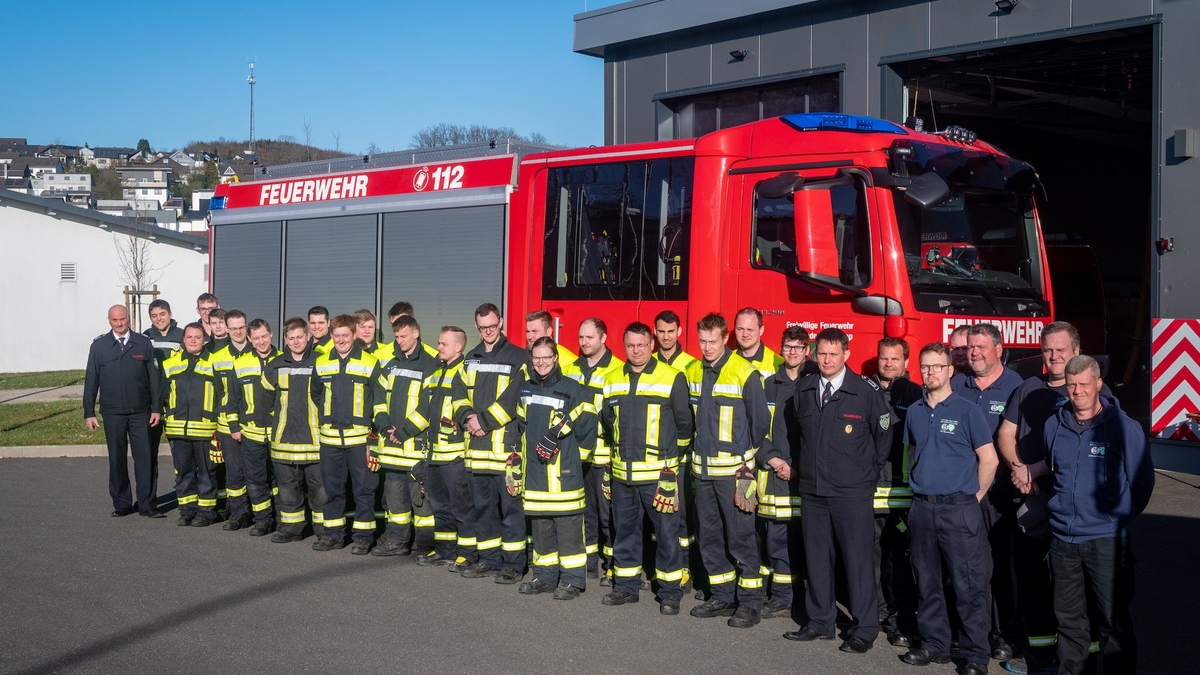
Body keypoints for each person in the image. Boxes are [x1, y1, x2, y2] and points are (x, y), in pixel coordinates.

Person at [1016, 355, 1154, 675]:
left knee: (1113, 622)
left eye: (1083, 384)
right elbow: (1054, 469)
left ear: (1098, 384)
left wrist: (1115, 518)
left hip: (1106, 542)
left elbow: (1142, 483)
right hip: (1063, 541)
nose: (1077, 391)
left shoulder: (1124, 428)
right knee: (1069, 622)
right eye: (1071, 384)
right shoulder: (1054, 425)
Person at [996, 322, 1107, 670]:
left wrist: (1034, 471)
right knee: (1033, 579)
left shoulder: (1091, 392)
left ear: (1077, 350)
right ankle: (1040, 653)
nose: (1054, 356)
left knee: (1076, 585)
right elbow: (1006, 433)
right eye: (1048, 350)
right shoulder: (1028, 388)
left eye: (1061, 350)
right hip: (1031, 498)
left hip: (1074, 506)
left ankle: (1084, 657)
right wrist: (1020, 469)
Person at [784, 328, 890, 654]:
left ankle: (864, 628)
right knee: (816, 560)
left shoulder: (865, 392)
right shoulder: (804, 390)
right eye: (822, 354)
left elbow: (883, 439)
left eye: (833, 354)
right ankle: (820, 622)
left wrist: (865, 476)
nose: (827, 360)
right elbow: (796, 437)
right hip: (813, 491)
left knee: (857, 562)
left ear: (846, 354)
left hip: (851, 493)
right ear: (814, 354)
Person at [900, 342, 998, 675]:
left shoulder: (967, 411)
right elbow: (912, 453)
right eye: (925, 366)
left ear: (950, 370)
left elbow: (989, 459)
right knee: (926, 582)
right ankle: (934, 645)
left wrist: (974, 497)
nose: (930, 372)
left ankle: (975, 655)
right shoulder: (914, 411)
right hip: (923, 508)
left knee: (969, 585)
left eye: (937, 366)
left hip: (960, 509)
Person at [600, 322, 693, 615]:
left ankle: (670, 592)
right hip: (622, 476)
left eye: (641, 345)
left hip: (658, 477)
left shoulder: (672, 377)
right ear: (623, 345)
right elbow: (608, 421)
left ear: (652, 344)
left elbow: (685, 425)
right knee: (625, 533)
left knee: (667, 535)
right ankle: (626, 587)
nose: (636, 350)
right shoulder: (611, 378)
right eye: (630, 345)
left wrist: (670, 461)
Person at [685, 313, 771, 628]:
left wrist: (744, 461)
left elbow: (760, 423)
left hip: (737, 475)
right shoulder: (692, 370)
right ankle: (721, 595)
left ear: (725, 338)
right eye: (702, 341)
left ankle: (750, 603)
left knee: (741, 537)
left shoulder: (744, 372)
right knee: (709, 536)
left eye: (713, 341)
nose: (707, 347)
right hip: (703, 473)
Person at [957, 322, 1026, 662]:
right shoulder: (957, 385)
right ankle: (973, 634)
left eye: (981, 347)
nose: (974, 353)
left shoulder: (1018, 387)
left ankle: (1005, 635)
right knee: (968, 569)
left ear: (999, 350)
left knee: (1003, 568)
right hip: (963, 494)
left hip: (1000, 498)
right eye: (970, 347)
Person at [513, 337, 597, 600]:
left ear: (556, 358)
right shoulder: (525, 390)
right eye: (536, 357)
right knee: (541, 529)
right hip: (536, 472)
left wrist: (574, 461)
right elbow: (522, 426)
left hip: (564, 475)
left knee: (569, 530)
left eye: (546, 357)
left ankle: (572, 581)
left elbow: (588, 428)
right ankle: (544, 576)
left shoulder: (573, 389)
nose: (541, 363)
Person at [458, 303, 528, 582]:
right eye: (482, 327)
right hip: (476, 451)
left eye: (492, 326)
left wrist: (482, 422)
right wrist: (467, 417)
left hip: (506, 452)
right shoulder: (470, 359)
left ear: (501, 323)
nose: (487, 331)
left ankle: (513, 565)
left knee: (511, 511)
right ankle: (489, 559)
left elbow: (512, 400)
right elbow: (458, 395)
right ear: (477, 327)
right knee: (483, 510)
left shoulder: (519, 357)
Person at [407, 327, 478, 570]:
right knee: (440, 507)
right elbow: (425, 412)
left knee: (461, 507)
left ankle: (467, 553)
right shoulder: (436, 373)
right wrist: (403, 431)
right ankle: (445, 550)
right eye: (438, 343)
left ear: (458, 347)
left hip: (455, 455)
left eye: (443, 344)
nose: (438, 347)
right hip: (434, 454)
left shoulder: (466, 372)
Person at [310, 314, 382, 554]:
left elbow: (377, 398)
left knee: (364, 490)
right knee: (332, 490)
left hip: (360, 440)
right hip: (330, 439)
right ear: (331, 336)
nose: (341, 340)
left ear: (353, 334)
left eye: (345, 335)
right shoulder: (321, 362)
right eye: (337, 336)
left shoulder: (370, 362)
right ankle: (333, 535)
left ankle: (363, 537)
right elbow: (316, 394)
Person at [370, 314, 441, 556]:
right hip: (391, 449)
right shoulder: (389, 364)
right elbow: (378, 398)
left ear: (416, 334)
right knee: (395, 500)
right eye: (396, 336)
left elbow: (429, 406)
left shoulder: (430, 364)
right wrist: (383, 425)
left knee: (421, 502)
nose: (399, 341)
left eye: (403, 336)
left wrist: (404, 431)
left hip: (415, 449)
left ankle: (425, 545)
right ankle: (397, 542)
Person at [83, 304, 163, 518]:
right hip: (112, 412)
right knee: (117, 458)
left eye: (122, 319)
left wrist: (156, 408)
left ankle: (147, 504)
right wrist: (89, 411)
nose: (119, 324)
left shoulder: (143, 343)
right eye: (115, 320)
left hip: (140, 411)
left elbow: (154, 379)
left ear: (129, 318)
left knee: (145, 459)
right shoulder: (99, 346)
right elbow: (91, 380)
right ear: (109, 321)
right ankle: (122, 503)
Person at [756, 325, 810, 620]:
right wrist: (775, 460)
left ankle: (806, 598)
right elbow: (757, 428)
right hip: (776, 476)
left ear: (807, 351)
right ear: (781, 349)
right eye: (788, 346)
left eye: (798, 347)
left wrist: (798, 466)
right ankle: (781, 597)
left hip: (806, 477)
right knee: (776, 540)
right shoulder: (769, 385)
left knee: (807, 541)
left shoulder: (816, 381)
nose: (792, 352)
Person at [563, 318, 624, 582]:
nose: (584, 342)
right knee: (583, 511)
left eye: (589, 337)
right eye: (581, 337)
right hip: (578, 455)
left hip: (604, 456)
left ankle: (612, 564)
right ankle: (588, 563)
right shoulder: (570, 370)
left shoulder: (618, 369)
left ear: (603, 338)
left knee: (608, 513)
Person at [873, 337, 922, 648]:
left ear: (906, 361)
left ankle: (897, 616)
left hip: (902, 490)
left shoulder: (916, 394)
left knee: (898, 559)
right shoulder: (866, 390)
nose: (889, 363)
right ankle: (875, 611)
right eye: (884, 358)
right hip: (870, 488)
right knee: (870, 555)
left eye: (895, 358)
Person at [262, 317, 326, 544]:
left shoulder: (321, 362)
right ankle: (291, 529)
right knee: (287, 488)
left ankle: (324, 531)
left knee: (320, 489)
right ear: (285, 340)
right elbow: (266, 400)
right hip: (284, 439)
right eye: (291, 338)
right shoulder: (275, 365)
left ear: (308, 337)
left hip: (315, 440)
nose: (296, 341)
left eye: (300, 337)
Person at [160, 323, 221, 527]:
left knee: (206, 473)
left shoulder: (215, 363)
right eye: (189, 337)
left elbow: (222, 395)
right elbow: (162, 394)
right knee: (183, 473)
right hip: (177, 430)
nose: (193, 340)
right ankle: (186, 511)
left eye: (197, 337)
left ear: (204, 339)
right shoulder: (170, 364)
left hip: (205, 429)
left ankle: (206, 512)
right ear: (183, 339)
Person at [226, 318, 282, 537]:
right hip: (251, 432)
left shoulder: (283, 360)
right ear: (249, 339)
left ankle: (281, 520)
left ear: (271, 334)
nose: (261, 341)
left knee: (281, 480)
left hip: (279, 432)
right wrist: (234, 426)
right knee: (256, 480)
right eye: (256, 338)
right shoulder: (240, 363)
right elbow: (233, 398)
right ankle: (262, 521)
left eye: (264, 336)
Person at [209, 310, 252, 530]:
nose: (237, 331)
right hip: (227, 425)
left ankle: (262, 513)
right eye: (233, 328)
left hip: (255, 425)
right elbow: (217, 393)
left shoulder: (260, 352)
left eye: (241, 327)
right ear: (227, 329)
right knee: (234, 473)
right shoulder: (217, 358)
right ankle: (238, 513)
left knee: (259, 472)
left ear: (247, 326)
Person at [144, 299, 184, 463]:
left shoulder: (182, 335)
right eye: (154, 316)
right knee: (149, 450)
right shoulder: (145, 336)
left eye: (162, 314)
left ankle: (182, 479)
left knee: (179, 449)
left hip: (176, 399)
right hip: (152, 400)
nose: (159, 318)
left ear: (170, 314)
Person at [734, 307, 782, 379]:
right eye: (740, 329)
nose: (745, 334)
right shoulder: (726, 359)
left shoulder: (777, 362)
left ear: (761, 330)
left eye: (750, 329)